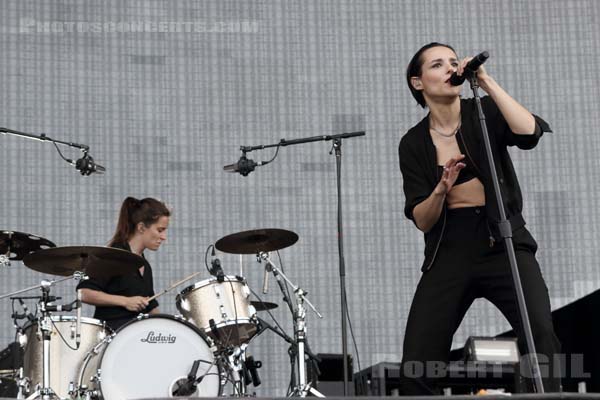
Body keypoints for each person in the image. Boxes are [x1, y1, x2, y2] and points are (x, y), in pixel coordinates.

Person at [398, 43, 560, 393]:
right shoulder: (412, 143)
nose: (450, 68)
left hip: (502, 241)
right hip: (449, 250)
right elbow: (423, 220)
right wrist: (441, 189)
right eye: (437, 64)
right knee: (417, 361)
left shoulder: (483, 112)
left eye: (454, 62)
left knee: (541, 337)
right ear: (418, 82)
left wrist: (485, 81)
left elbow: (529, 132)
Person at [77, 197, 170, 331]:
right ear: (141, 227)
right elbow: (83, 292)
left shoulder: (145, 266)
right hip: (112, 337)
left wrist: (173, 327)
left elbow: (150, 307)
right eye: (160, 230)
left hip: (136, 337)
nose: (164, 237)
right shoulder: (110, 256)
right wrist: (125, 301)